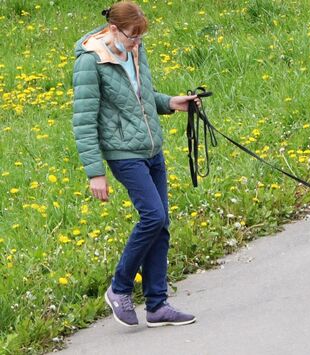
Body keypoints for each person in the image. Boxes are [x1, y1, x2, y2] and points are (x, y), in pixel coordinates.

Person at [72, 1, 198, 327]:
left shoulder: (135, 50)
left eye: (140, 39)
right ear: (114, 29)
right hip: (122, 154)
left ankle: (157, 306)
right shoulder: (91, 61)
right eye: (132, 37)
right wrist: (95, 172)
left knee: (162, 223)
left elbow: (142, 98)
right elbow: (84, 122)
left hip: (151, 148)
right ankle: (120, 287)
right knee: (153, 216)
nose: (136, 44)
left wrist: (170, 102)